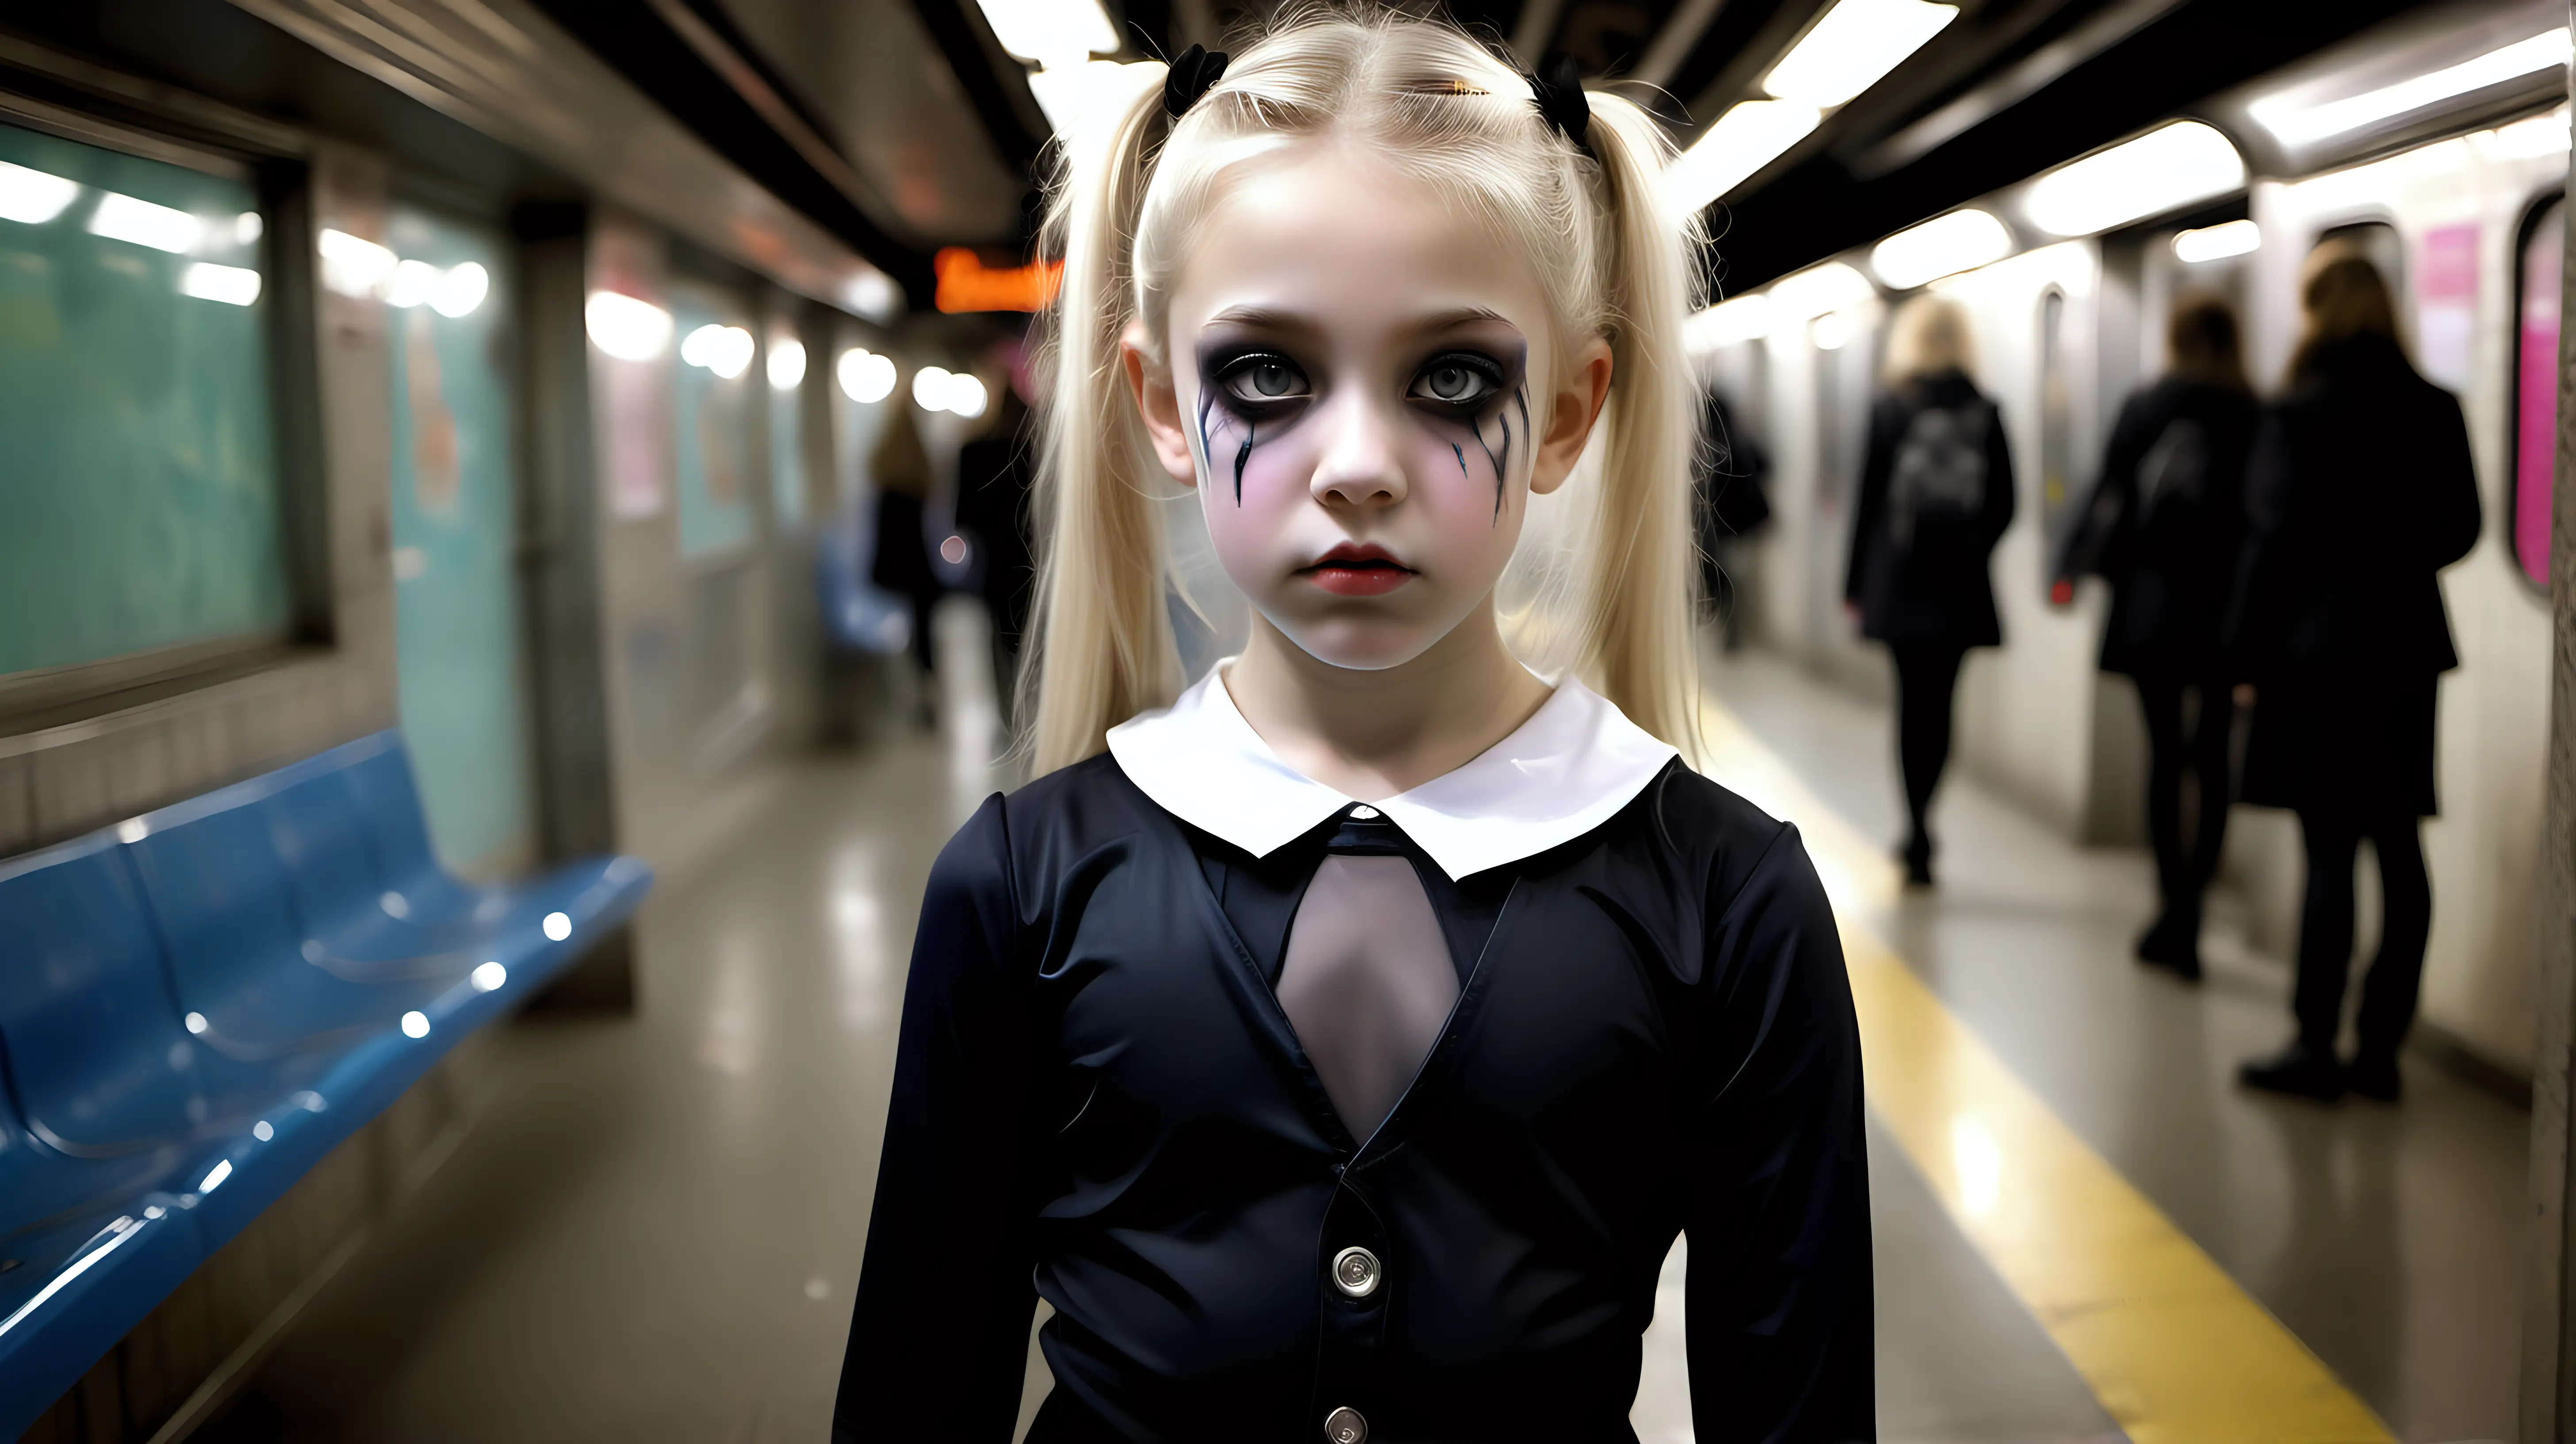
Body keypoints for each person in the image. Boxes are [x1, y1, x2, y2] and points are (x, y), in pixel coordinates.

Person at [836, 15, 1873, 1442]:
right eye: (1267, 371)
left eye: (1453, 378)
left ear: (1568, 412)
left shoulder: (1730, 906)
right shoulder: (1018, 889)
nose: (1362, 467)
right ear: (1160, 404)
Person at [2227, 253, 2480, 1105]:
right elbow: (2460, 531)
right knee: (2400, 849)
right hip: (2405, 654)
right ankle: (2379, 1048)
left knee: (2327, 851)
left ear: (2316, 314)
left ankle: (2312, 1041)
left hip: (2313, 656)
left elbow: (2267, 541)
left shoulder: (2295, 414)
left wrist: (2243, 657)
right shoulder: (2433, 407)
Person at [2051, 294, 2259, 979]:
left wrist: (2072, 569)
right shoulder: (2253, 413)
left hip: (2151, 610)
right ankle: (2195, 901)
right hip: (2226, 616)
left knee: (2166, 758)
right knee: (2215, 764)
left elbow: (2109, 492)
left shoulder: (2147, 406)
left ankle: (2173, 909)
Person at [1845, 294, 2015, 887]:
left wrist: (1855, 586)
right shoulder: (1987, 410)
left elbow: (1867, 504)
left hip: (1899, 583)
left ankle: (1914, 829)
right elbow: (2005, 506)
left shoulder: (1891, 407)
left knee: (1909, 704)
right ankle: (1929, 820)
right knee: (1941, 706)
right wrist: (1968, 552)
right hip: (1961, 590)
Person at [955, 378, 1037, 726]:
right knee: (1031, 633)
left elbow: (964, 517)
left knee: (998, 637)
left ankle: (1007, 712)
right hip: (1032, 559)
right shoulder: (1034, 451)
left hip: (991, 561)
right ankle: (1032, 703)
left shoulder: (973, 452)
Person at [869, 402, 942, 728]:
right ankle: (927, 690)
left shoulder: (885, 478)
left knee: (900, 631)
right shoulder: (919, 475)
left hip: (892, 566)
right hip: (919, 566)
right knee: (923, 633)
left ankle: (906, 694)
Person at [1695, 382, 1770, 648]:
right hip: (1740, 527)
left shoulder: (1717, 449)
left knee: (1729, 581)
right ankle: (1733, 632)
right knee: (1733, 580)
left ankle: (1732, 634)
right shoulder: (1737, 440)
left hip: (1731, 528)